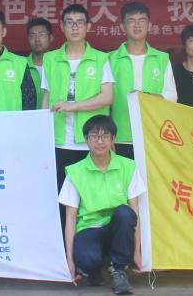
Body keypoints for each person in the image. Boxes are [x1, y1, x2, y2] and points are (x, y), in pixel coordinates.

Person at [59, 115, 143, 295]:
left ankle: (119, 270)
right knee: (87, 260)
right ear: (86, 139)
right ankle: (92, 270)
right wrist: (69, 261)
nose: (100, 141)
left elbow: (135, 210)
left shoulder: (128, 166)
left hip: (117, 228)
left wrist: (137, 252)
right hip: (89, 228)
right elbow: (70, 218)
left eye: (105, 136)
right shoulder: (75, 171)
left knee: (125, 213)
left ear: (113, 139)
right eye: (94, 136)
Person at [42, 4, 114, 189]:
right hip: (59, 141)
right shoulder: (50, 59)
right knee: (60, 194)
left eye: (79, 22)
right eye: (70, 22)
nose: (75, 27)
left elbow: (107, 97)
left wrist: (72, 105)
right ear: (62, 26)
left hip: (91, 141)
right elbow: (46, 97)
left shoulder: (101, 58)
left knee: (91, 195)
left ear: (88, 26)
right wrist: (43, 132)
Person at [108, 2, 178, 158]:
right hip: (120, 135)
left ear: (149, 26)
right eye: (131, 21)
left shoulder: (161, 59)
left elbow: (172, 96)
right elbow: (104, 101)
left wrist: (143, 97)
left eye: (141, 20)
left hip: (153, 135)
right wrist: (107, 134)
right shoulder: (110, 59)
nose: (137, 25)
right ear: (122, 26)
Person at [27, 16, 53, 108]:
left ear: (51, 38)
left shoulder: (58, 64)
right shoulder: (21, 65)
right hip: (28, 115)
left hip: (54, 115)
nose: (37, 39)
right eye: (33, 35)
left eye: (41, 34)